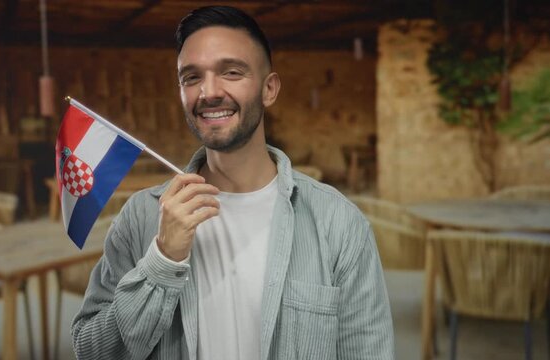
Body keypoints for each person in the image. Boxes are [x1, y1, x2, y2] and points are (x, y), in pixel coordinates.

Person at [71, 5, 393, 360]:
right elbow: (91, 351)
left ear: (269, 89)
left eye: (232, 72)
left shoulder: (339, 223)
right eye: (191, 77)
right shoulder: (141, 217)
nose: (208, 92)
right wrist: (162, 260)